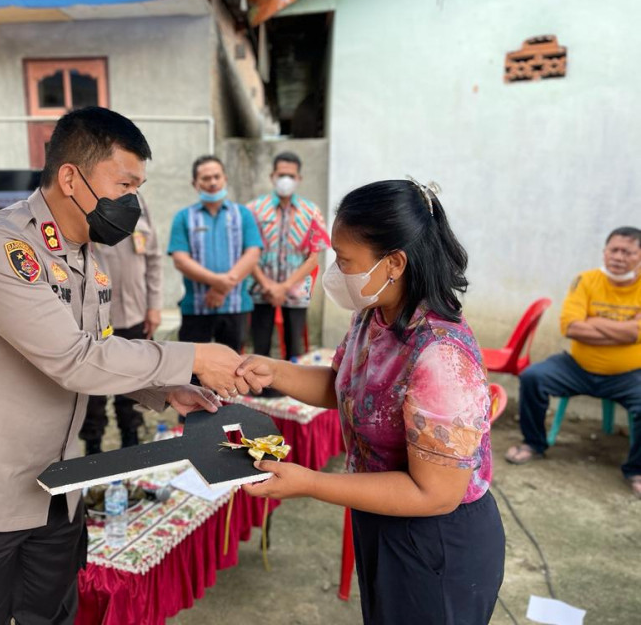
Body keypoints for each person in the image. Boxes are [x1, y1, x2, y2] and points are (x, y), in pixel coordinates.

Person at [0, 107, 251, 625]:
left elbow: (98, 350)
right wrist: (195, 356)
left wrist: (164, 391)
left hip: (53, 494)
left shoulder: (86, 260)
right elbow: (73, 359)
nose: (133, 203)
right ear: (70, 177)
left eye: (138, 188)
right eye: (125, 184)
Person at [237, 179, 504, 625]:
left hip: (436, 540)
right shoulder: (375, 316)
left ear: (394, 263)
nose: (335, 273)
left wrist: (307, 482)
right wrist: (274, 371)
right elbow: (344, 388)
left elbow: (434, 493)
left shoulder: (440, 354)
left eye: (344, 261)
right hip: (382, 516)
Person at [505, 227, 641, 498]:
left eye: (627, 251)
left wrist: (595, 323)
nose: (618, 256)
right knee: (533, 377)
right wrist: (626, 330)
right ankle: (534, 443)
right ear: (604, 252)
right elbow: (571, 327)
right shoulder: (586, 280)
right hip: (576, 367)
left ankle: (636, 469)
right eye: (613, 249)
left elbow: (638, 333)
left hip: (628, 374)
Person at [80, 191, 163, 454]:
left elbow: (154, 259)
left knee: (132, 382)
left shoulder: (140, 202)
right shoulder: (87, 195)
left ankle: (131, 443)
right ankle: (92, 449)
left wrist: (154, 306)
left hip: (135, 312)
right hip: (92, 317)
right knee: (92, 388)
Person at [167, 155, 263, 351]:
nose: (212, 182)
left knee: (234, 369)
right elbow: (180, 260)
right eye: (205, 178)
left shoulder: (243, 214)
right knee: (192, 370)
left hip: (236, 307)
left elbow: (252, 253)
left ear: (225, 179)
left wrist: (222, 288)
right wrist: (217, 281)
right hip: (196, 307)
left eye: (216, 177)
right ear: (195, 183)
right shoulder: (184, 217)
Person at [247, 151, 328, 360]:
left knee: (295, 347)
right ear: (272, 176)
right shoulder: (254, 210)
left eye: (291, 176)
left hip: (296, 292)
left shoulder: (311, 212)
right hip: (260, 290)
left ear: (299, 179)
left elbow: (313, 258)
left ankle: (291, 390)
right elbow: (246, 252)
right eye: (282, 174)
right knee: (260, 346)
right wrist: (268, 285)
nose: (286, 180)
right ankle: (260, 390)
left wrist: (283, 287)